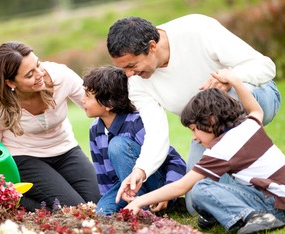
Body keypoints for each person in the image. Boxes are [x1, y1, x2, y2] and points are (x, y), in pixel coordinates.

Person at [107, 14, 281, 216]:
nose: (129, 74)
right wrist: (141, 170)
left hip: (255, 98)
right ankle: (259, 198)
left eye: (132, 65)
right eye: (123, 69)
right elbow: (156, 133)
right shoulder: (137, 83)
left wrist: (231, 79)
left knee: (225, 99)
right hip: (207, 130)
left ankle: (267, 195)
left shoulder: (197, 29)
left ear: (152, 46)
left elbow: (265, 66)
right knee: (195, 204)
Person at [118, 68, 285, 234]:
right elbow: (256, 110)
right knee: (212, 185)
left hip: (276, 206)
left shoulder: (224, 147)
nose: (194, 138)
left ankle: (257, 219)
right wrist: (235, 81)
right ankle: (217, 214)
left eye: (194, 129)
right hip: (274, 195)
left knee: (201, 189)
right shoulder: (248, 125)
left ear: (211, 120)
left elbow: (182, 186)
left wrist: (138, 201)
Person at [0, 41, 101, 211]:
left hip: (66, 150)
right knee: (75, 209)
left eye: (38, 65)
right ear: (11, 83)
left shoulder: (60, 76)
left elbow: (94, 104)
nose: (39, 74)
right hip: (24, 157)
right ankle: (14, 199)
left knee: (97, 205)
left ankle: (33, 202)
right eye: (30, 74)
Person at [81, 65, 186, 215]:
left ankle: (145, 210)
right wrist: (106, 202)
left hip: (156, 186)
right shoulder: (95, 130)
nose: (82, 100)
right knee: (101, 214)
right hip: (123, 189)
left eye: (87, 96)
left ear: (109, 104)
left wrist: (167, 193)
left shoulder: (136, 123)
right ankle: (136, 209)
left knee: (118, 145)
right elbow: (103, 176)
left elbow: (176, 162)